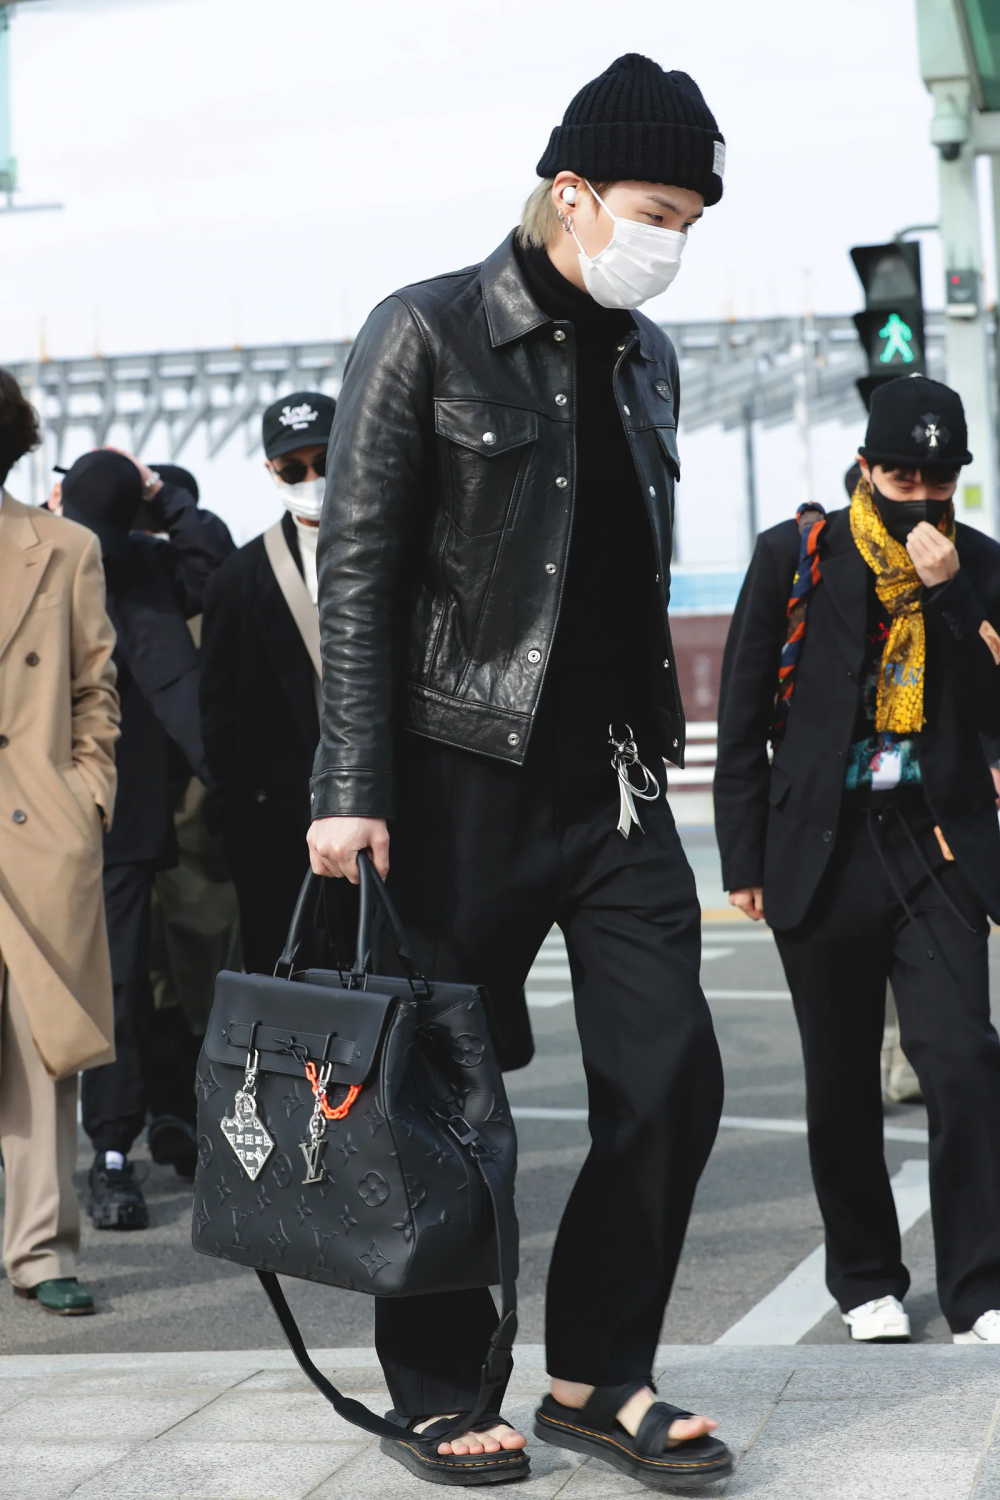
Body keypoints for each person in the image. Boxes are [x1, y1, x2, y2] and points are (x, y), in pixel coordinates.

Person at [307, 53, 733, 1491]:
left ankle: (595, 1374)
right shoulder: (425, 332)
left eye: (691, 217)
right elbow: (358, 570)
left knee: (673, 1068)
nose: (672, 242)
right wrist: (345, 787)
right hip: (448, 780)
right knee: (434, 1104)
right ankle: (440, 1387)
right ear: (572, 194)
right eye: (657, 209)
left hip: (613, 786)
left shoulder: (648, 357)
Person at [715, 374, 1000, 1346]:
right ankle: (865, 1277)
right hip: (821, 851)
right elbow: (744, 717)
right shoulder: (794, 557)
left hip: (938, 849)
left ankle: (978, 1287)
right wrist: (741, 857)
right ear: (865, 468)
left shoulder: (982, 568)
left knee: (962, 1063)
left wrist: (951, 596)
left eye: (938, 478)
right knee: (837, 1082)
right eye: (900, 473)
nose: (918, 494)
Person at [63, 449, 233, 1229]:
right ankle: (109, 1151)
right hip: (99, 810)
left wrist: (165, 500)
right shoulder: (72, 558)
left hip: (120, 812)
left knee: (131, 985)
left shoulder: (145, 564)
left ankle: (111, 1150)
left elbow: (216, 572)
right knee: (125, 985)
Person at [0, 370, 120, 1315]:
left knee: (42, 1048)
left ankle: (42, 1251)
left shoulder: (65, 546)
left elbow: (94, 686)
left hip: (35, 823)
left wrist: (89, 795)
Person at [200, 392, 338, 975]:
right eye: (293, 468)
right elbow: (219, 714)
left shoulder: (416, 548)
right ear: (271, 472)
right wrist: (236, 823)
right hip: (281, 829)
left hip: (412, 811)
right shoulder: (237, 579)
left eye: (324, 462)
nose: (311, 480)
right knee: (300, 996)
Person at [143, 461, 242, 1179]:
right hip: (139, 811)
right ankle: (172, 1112)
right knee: (157, 978)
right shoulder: (115, 581)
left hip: (195, 814)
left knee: (200, 973)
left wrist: (163, 501)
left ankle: (196, 1116)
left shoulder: (207, 591)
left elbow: (213, 561)